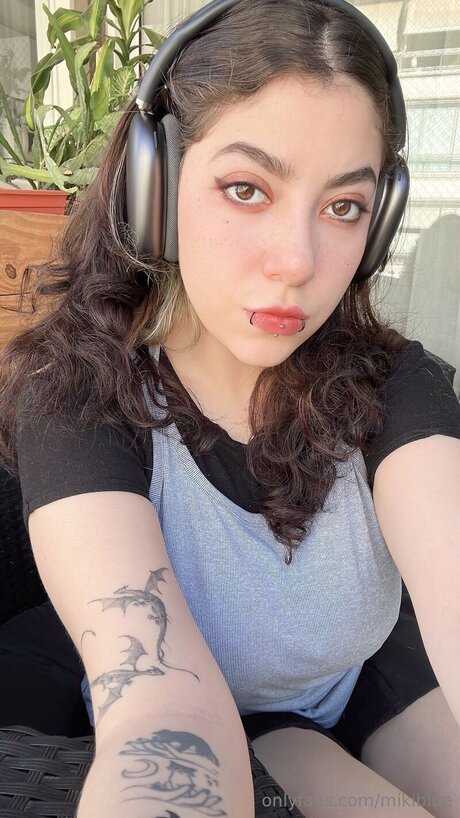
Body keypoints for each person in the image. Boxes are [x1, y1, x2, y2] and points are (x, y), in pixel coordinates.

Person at [0, 0, 459, 815]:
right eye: (247, 189)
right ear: (156, 189)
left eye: (344, 207)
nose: (297, 262)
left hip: (364, 681)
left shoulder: (397, 386)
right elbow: (159, 709)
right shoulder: (77, 396)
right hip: (214, 714)